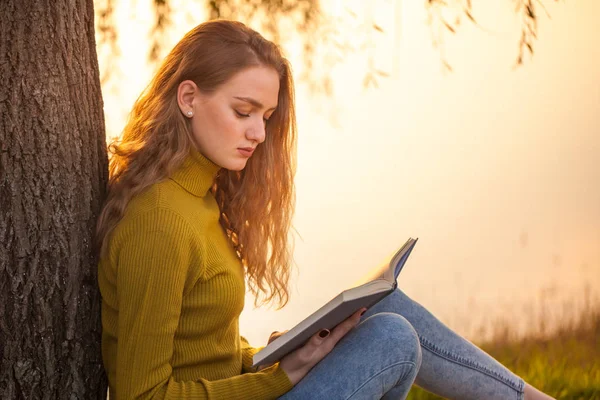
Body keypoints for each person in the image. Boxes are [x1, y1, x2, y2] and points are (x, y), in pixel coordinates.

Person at [96, 19, 555, 400]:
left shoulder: (201, 199)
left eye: (266, 117)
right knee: (391, 338)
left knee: (383, 304)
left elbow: (203, 351)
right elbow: (143, 394)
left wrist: (276, 354)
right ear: (189, 98)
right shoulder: (158, 222)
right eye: (243, 111)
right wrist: (278, 377)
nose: (258, 132)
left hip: (247, 383)